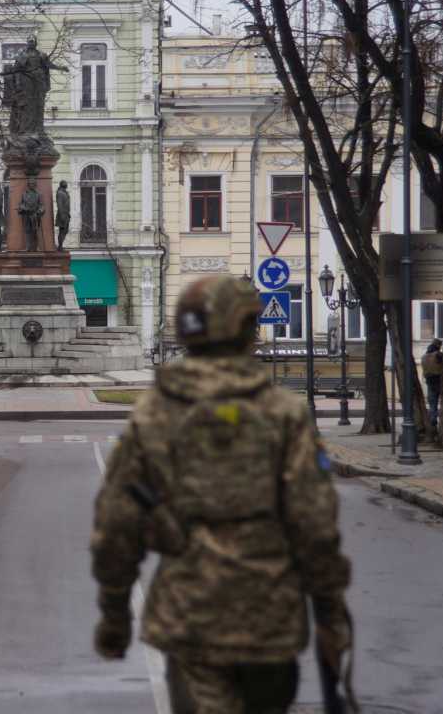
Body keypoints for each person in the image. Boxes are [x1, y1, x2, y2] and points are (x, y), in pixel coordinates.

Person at [91, 275, 352, 713]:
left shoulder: (156, 413)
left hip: (190, 619)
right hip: (270, 622)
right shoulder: (283, 413)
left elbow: (118, 524)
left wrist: (115, 617)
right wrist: (330, 617)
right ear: (248, 328)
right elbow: (315, 525)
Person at [421, 338, 443, 431]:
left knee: (432, 404)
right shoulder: (438, 354)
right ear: (438, 345)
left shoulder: (424, 356)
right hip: (440, 381)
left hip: (430, 382)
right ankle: (441, 421)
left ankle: (433, 421)